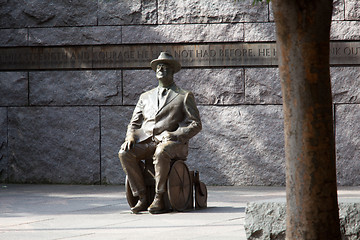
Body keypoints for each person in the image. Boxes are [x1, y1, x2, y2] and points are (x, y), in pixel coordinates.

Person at [118, 52, 202, 214]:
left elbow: (196, 124)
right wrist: (130, 136)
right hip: (147, 140)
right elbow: (134, 123)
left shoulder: (184, 96)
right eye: (158, 66)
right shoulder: (145, 97)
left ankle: (159, 197)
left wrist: (176, 134)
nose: (161, 68)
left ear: (172, 71)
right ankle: (142, 196)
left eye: (165, 66)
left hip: (172, 143)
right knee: (124, 153)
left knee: (161, 151)